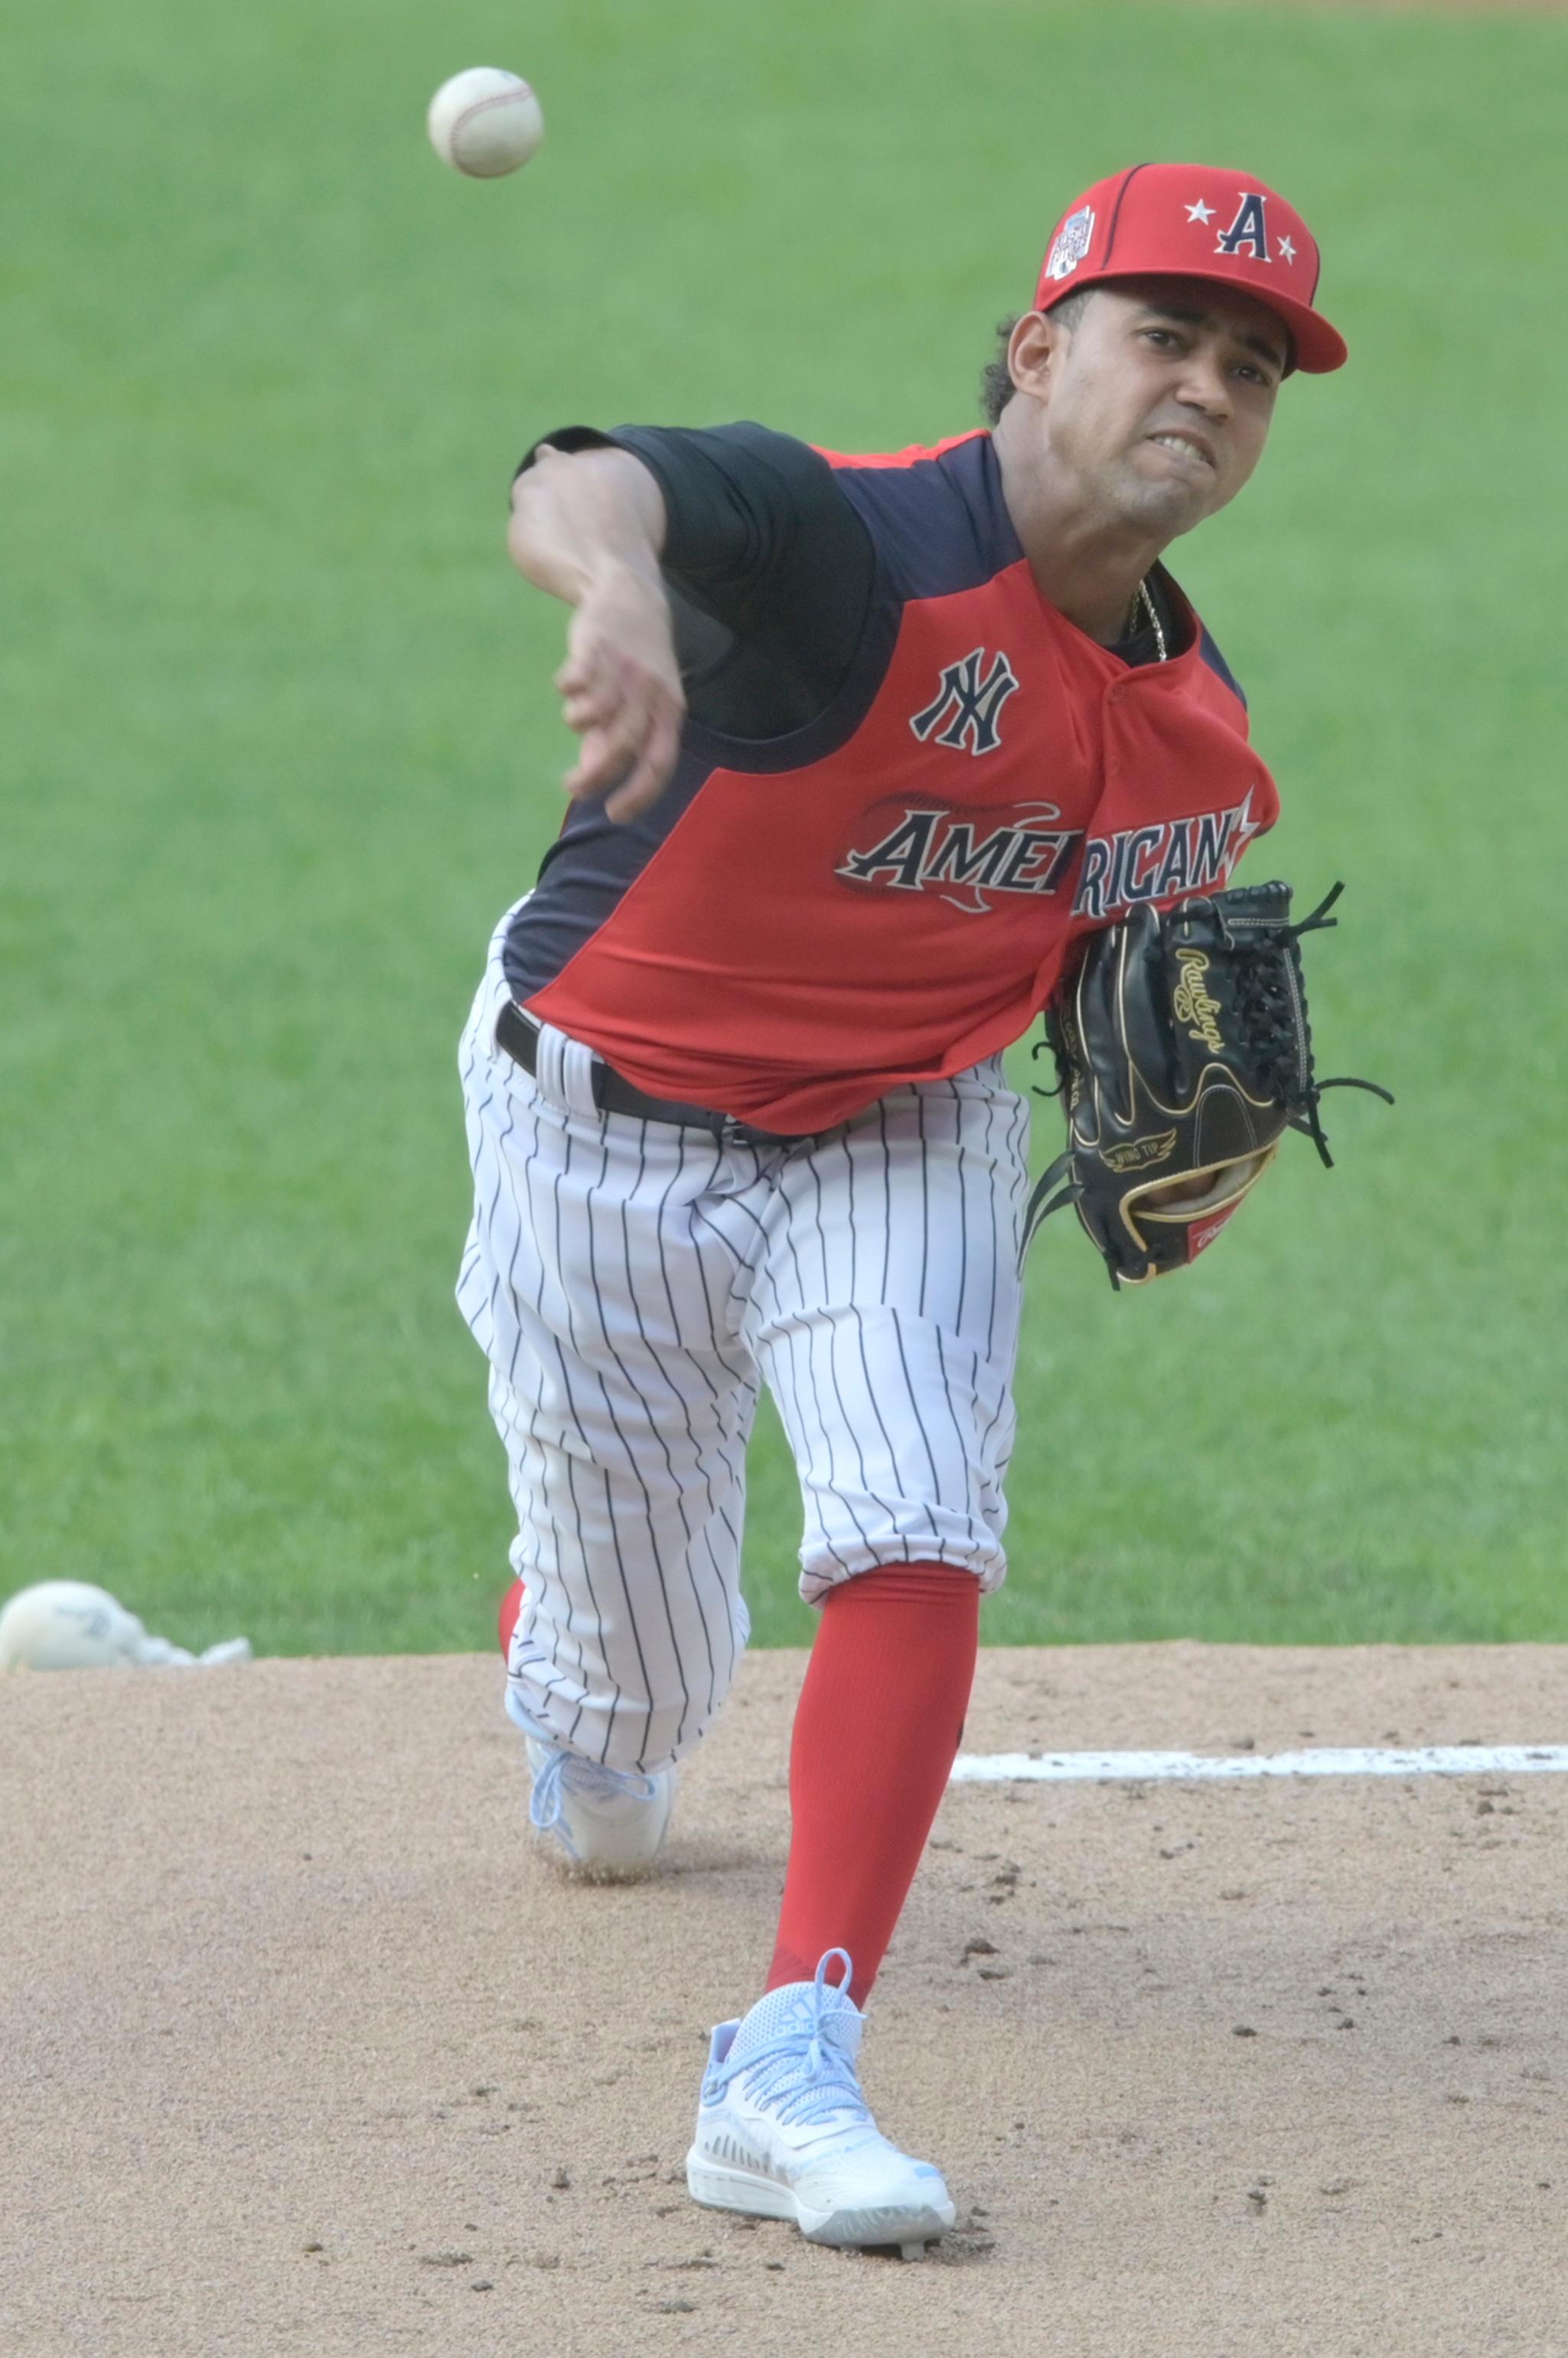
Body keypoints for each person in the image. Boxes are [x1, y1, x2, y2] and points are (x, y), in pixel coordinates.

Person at [457, 161, 1348, 2252]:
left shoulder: (1194, 747)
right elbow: (587, 473)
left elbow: (1108, 1018)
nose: (1206, 387)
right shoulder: (844, 541)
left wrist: (1180, 1161)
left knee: (916, 1506)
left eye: (1250, 365)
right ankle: (563, 1652)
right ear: (1038, 349)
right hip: (598, 1125)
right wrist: (602, 592)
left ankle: (791, 2051)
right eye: (1163, 335)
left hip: (895, 1131)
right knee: (621, 1746)